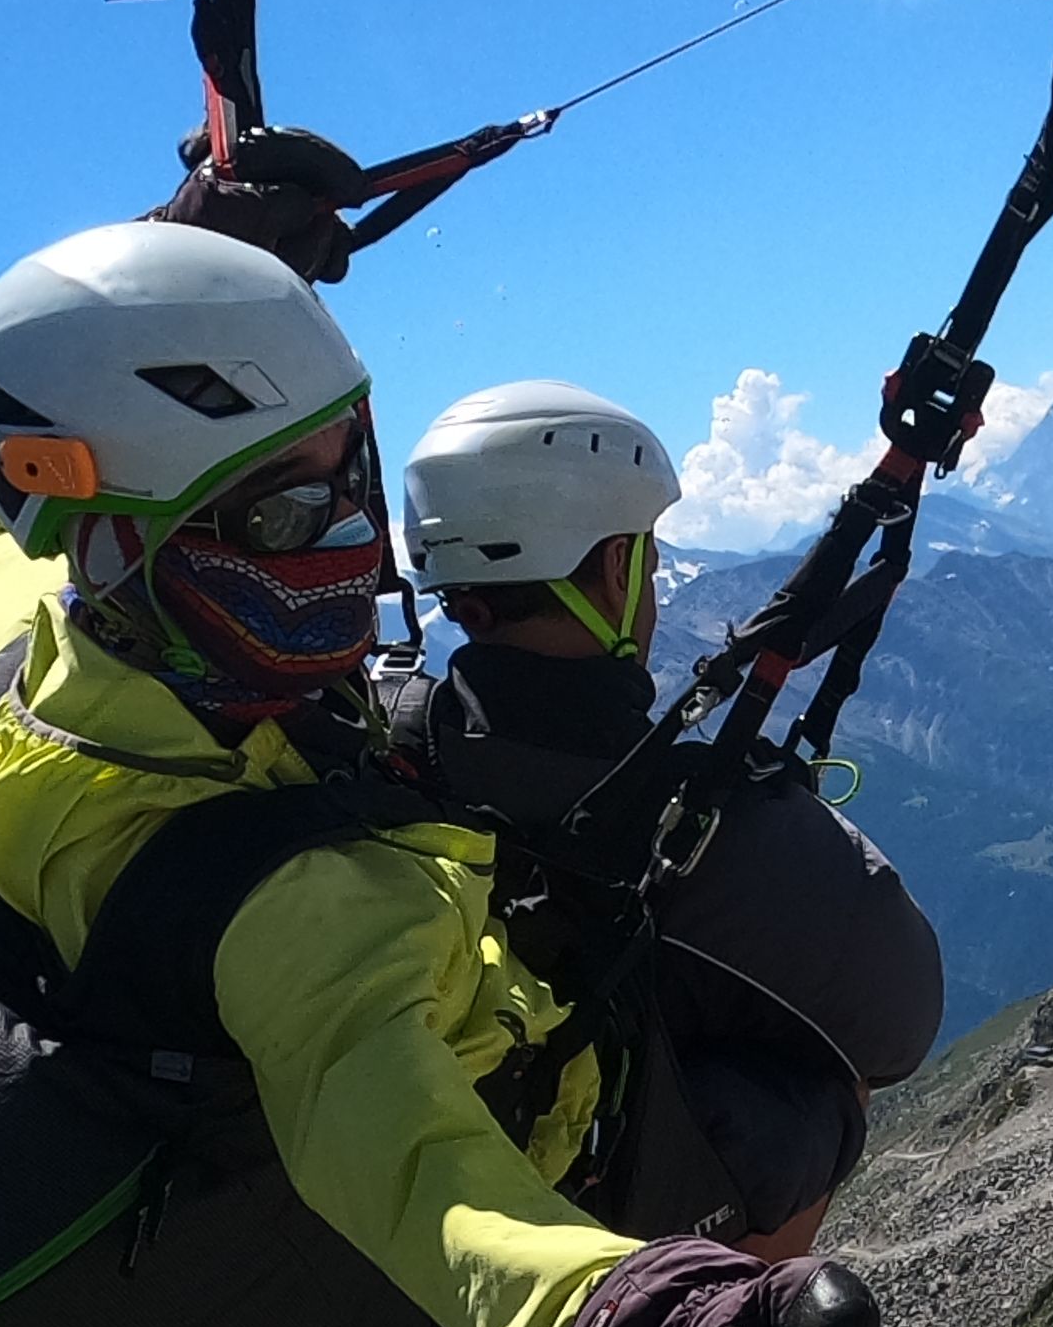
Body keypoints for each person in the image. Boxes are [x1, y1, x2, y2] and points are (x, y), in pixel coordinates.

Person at [0, 222, 926, 1327]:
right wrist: (648, 1326)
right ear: (121, 542)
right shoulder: (294, 911)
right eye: (284, 521)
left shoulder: (46, 645)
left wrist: (193, 236)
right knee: (804, 1107)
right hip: (487, 1278)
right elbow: (424, 1178)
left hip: (245, 1035)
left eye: (347, 479)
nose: (350, 547)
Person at [384, 378, 944, 1260]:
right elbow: (904, 1015)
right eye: (643, 553)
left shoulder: (389, 744)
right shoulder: (697, 827)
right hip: (576, 1214)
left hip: (409, 1184)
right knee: (820, 1096)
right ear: (615, 569)